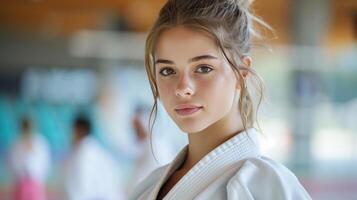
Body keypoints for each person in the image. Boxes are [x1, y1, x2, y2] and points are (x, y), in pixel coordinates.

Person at [130, 0, 312, 199]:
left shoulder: (267, 186)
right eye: (167, 70)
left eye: (203, 68)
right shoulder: (148, 187)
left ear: (242, 72)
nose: (182, 89)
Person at [64, 115, 125, 200]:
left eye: (72, 131)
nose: (70, 135)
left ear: (78, 130)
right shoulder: (94, 150)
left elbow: (83, 189)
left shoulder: (85, 154)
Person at [9, 117, 50, 200]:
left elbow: (45, 164)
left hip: (36, 182)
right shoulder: (17, 143)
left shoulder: (40, 142)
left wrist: (31, 153)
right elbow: (14, 164)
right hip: (21, 182)